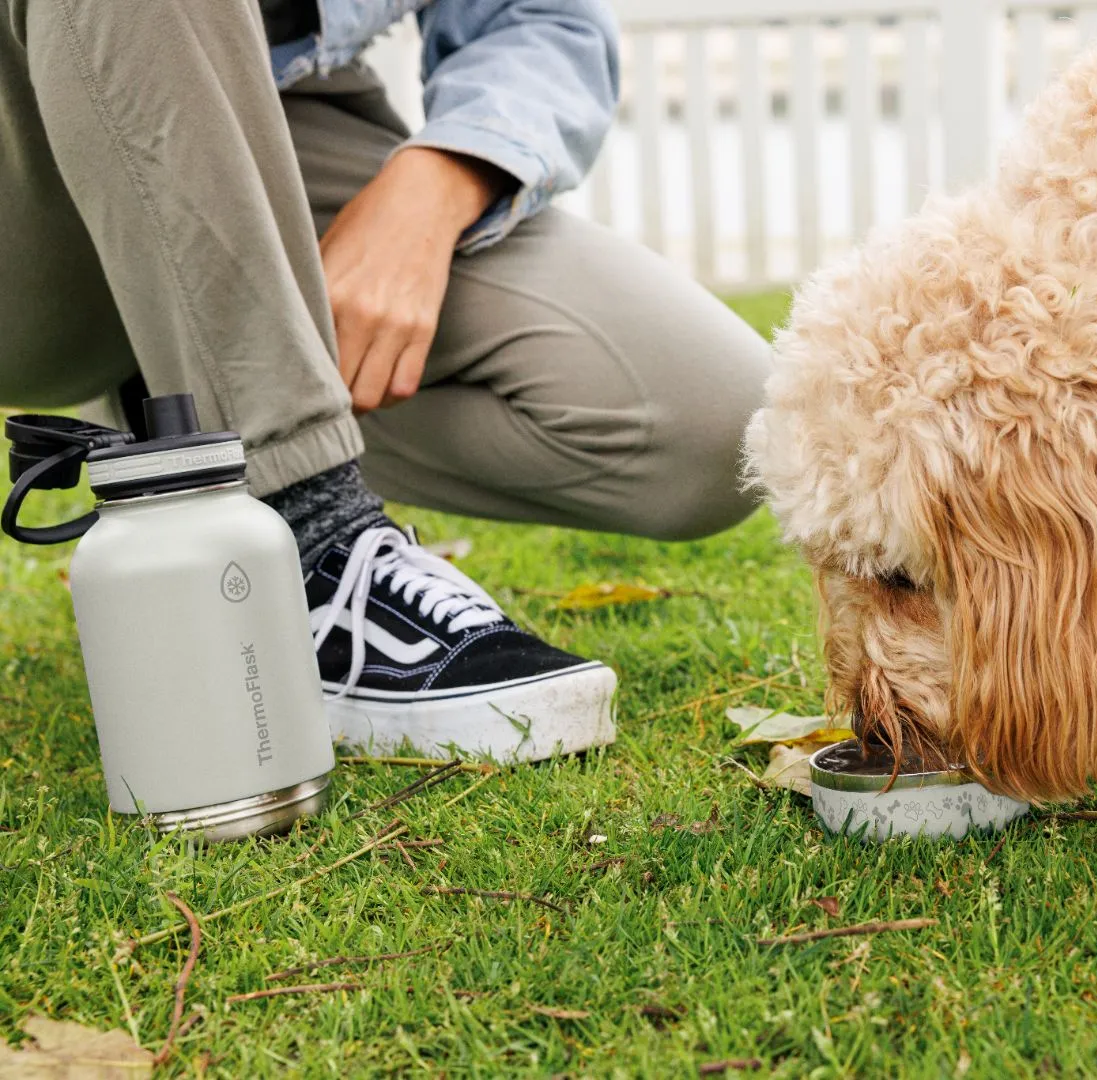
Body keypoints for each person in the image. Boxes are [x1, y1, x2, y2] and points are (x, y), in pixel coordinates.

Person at [0, 0, 772, 761]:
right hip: (21, 145)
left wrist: (439, 183)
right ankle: (305, 538)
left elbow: (539, 15)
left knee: (712, 419)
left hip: (277, 108)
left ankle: (183, 428)